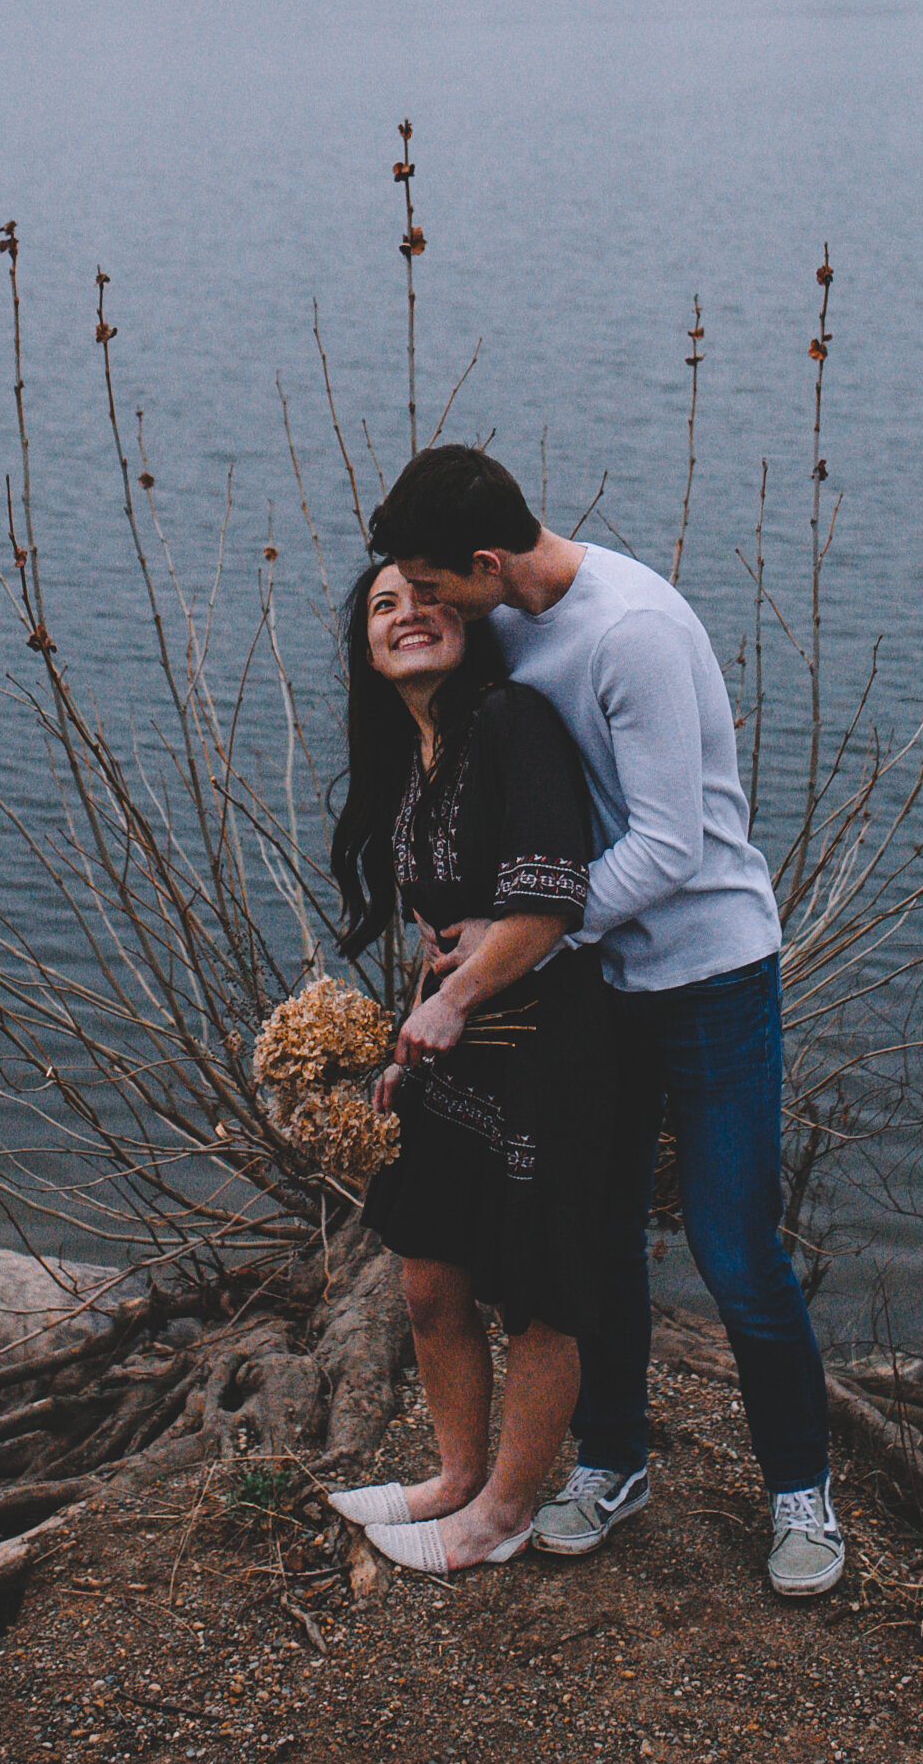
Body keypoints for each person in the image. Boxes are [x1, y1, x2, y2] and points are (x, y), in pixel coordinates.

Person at [367, 445, 843, 1598]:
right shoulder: (514, 622)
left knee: (736, 1249)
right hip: (596, 987)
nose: (425, 604)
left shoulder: (631, 628)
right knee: (594, 1241)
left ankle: (802, 1491)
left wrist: (516, 933)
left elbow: (673, 848)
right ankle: (614, 1461)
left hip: (709, 972)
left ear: (486, 561)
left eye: (434, 584)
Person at [325, 559, 616, 1576]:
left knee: (531, 1293)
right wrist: (410, 1037)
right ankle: (453, 1478)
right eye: (382, 606)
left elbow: (550, 898)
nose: (407, 615)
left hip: (546, 1052)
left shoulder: (512, 720)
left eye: (424, 594)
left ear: (468, 607)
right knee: (427, 1280)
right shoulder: (420, 756)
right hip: (451, 1052)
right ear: (366, 647)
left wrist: (450, 1003)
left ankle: (502, 1513)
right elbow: (443, 933)